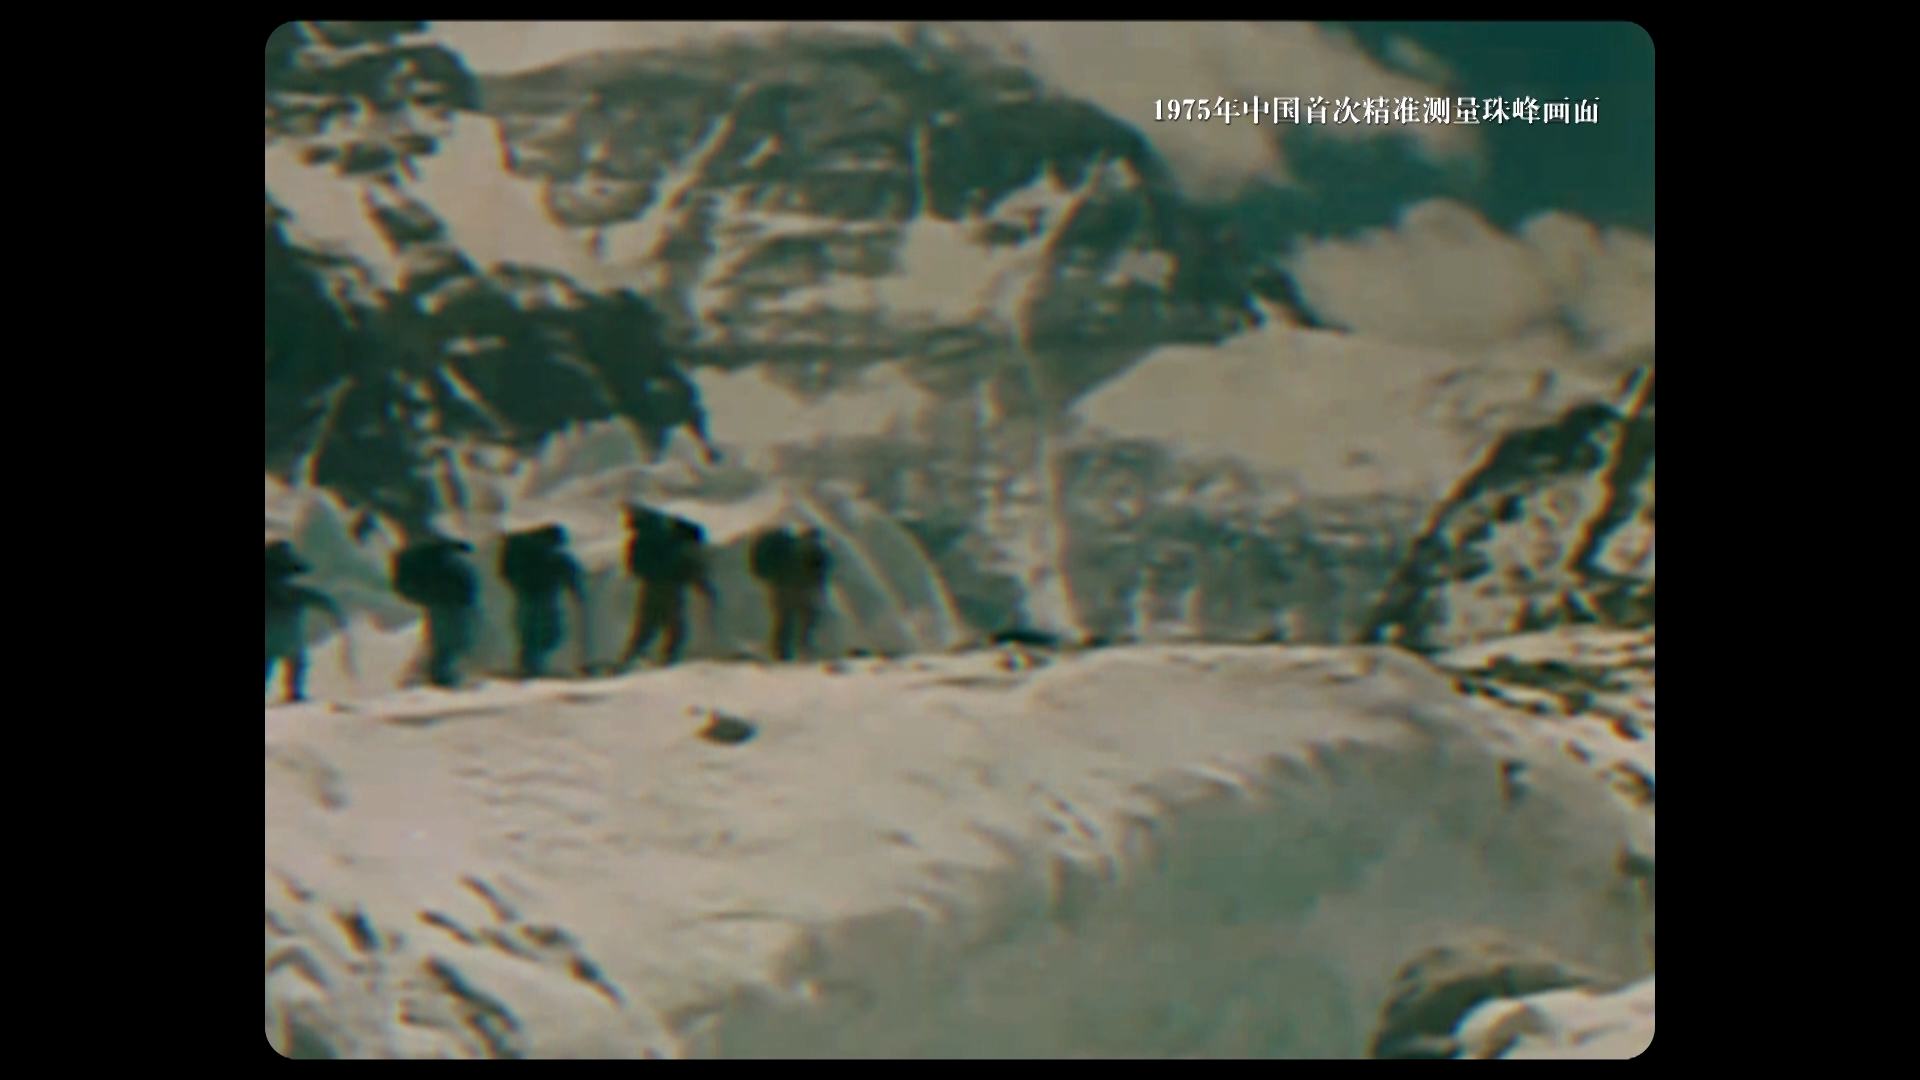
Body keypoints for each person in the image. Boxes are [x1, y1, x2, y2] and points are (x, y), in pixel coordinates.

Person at [621, 505, 716, 668]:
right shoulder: (668, 538)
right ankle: (667, 660)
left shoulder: (643, 538)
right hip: (669, 587)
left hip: (651, 586)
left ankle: (631, 659)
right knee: (672, 628)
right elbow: (683, 563)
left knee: (648, 627)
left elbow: (634, 568)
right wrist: (699, 582)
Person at [498, 523, 588, 679]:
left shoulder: (524, 550)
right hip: (543, 596)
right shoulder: (547, 554)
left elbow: (506, 572)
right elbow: (567, 570)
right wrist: (577, 591)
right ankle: (531, 667)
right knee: (542, 632)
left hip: (527, 594)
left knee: (531, 633)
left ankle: (529, 665)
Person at [265, 540, 350, 703]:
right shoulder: (287, 590)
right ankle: (294, 693)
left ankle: (293, 692)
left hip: (274, 635)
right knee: (295, 661)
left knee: (275, 662)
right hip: (285, 636)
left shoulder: (282, 588)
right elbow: (311, 598)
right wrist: (331, 609)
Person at [391, 535, 479, 688]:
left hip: (445, 603)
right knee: (447, 641)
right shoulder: (440, 562)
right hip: (448, 603)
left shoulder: (429, 559)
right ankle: (439, 675)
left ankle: (437, 674)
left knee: (445, 641)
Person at [748, 525, 833, 661]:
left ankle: (782, 652)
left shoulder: (792, 550)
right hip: (799, 591)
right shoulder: (811, 551)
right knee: (802, 620)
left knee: (786, 621)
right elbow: (820, 573)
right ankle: (800, 649)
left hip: (782, 590)